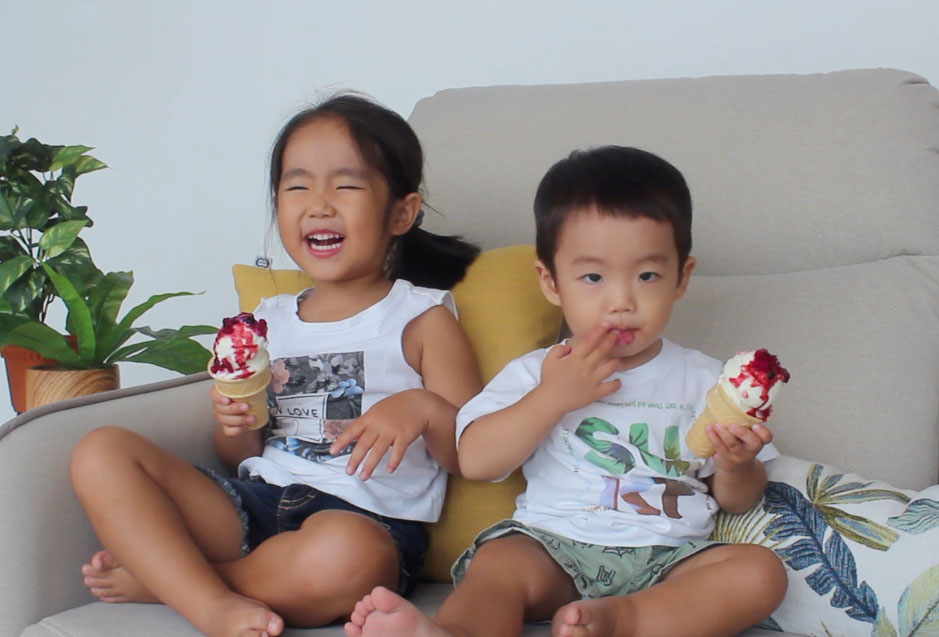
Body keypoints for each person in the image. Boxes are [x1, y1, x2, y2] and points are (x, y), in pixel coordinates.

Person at [69, 94, 483, 637]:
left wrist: (425, 408)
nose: (318, 204)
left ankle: (180, 583)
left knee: (343, 557)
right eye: (297, 186)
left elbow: (472, 453)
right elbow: (245, 454)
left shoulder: (421, 318)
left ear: (401, 212)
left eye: (346, 184)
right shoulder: (267, 320)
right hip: (258, 501)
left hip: (363, 523)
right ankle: (211, 603)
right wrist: (238, 424)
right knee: (100, 451)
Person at [346, 146, 788, 637]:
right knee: (497, 563)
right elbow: (476, 460)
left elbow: (738, 501)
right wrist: (552, 397)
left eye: (647, 275)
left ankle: (624, 620)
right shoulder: (538, 372)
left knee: (760, 572)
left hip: (669, 559)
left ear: (681, 277)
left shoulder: (707, 380)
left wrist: (737, 465)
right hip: (551, 547)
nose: (621, 301)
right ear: (551, 281)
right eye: (593, 277)